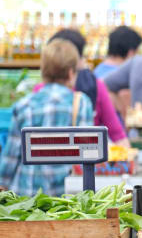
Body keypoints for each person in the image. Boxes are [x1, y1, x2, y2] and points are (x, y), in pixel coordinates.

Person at [0, 39, 93, 196]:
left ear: (43, 71)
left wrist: (3, 184)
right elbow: (88, 155)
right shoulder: (81, 103)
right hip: (65, 201)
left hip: (27, 198)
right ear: (71, 73)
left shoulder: (24, 105)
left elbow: (11, 157)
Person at [38, 29, 129, 147]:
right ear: (75, 61)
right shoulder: (85, 100)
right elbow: (115, 135)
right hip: (77, 163)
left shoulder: (35, 96)